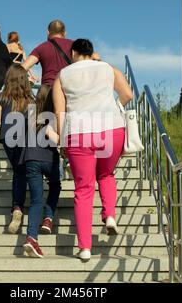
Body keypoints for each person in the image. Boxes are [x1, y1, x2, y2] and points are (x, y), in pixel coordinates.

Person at [52, 39, 134, 262]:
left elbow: (60, 112)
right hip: (111, 128)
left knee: (83, 189)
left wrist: (62, 142)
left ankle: (85, 247)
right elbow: (127, 94)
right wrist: (115, 108)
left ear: (74, 52)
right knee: (106, 175)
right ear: (91, 52)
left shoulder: (63, 75)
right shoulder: (108, 68)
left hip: (79, 133)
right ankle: (109, 216)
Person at [0, 65, 35, 234]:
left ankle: (17, 208)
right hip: (25, 137)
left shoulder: (2, 96)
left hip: (7, 138)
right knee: (24, 172)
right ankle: (21, 207)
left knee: (18, 172)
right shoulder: (29, 97)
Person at [21, 86, 62, 259]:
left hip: (30, 160)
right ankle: (49, 218)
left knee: (36, 201)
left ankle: (31, 238)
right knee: (55, 185)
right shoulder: (53, 116)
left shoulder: (28, 115)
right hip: (48, 160)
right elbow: (56, 139)